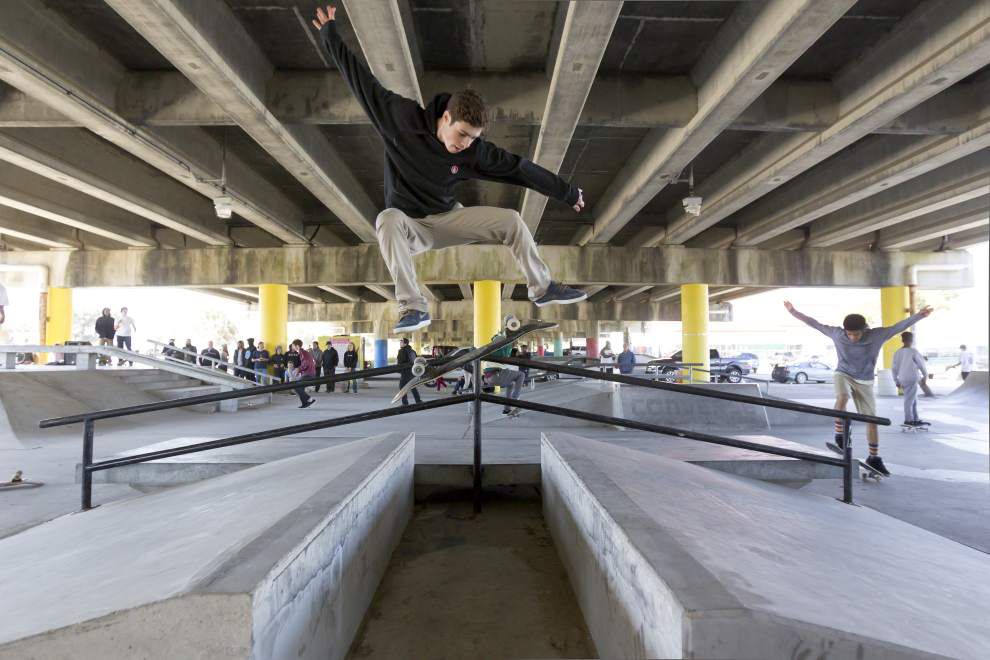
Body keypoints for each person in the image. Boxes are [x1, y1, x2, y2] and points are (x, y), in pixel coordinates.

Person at [312, 6, 587, 335]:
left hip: (447, 220)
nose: (465, 144)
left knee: (512, 221)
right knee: (387, 219)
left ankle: (541, 287)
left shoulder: (474, 152)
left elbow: (520, 169)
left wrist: (566, 192)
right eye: (462, 134)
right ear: (445, 118)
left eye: (473, 139)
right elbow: (361, 82)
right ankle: (413, 306)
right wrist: (330, 34)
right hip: (409, 227)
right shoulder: (400, 119)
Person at [784, 300, 933, 476]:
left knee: (872, 421)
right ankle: (840, 436)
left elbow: (898, 327)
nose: (852, 338)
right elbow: (814, 323)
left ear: (864, 330)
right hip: (843, 374)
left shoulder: (877, 335)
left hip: (865, 381)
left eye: (856, 334)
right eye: (849, 334)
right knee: (843, 397)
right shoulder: (837, 334)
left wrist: (919, 315)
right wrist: (793, 311)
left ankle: (874, 458)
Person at [893, 332, 929, 428]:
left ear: (902, 340)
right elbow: (921, 365)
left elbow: (894, 368)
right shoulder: (913, 351)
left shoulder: (897, 352)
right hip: (912, 378)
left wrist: (896, 380)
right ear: (911, 340)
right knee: (909, 400)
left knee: (913, 399)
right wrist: (925, 375)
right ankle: (908, 420)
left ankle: (915, 419)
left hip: (902, 378)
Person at [396, 337, 422, 406]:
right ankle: (418, 401)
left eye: (401, 342)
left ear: (405, 344)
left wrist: (398, 369)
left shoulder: (402, 351)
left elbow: (400, 362)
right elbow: (416, 360)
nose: (400, 343)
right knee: (412, 386)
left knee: (402, 387)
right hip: (412, 372)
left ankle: (405, 403)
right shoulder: (412, 351)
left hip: (405, 372)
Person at [290, 339, 316, 408]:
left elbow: (306, 363)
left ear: (297, 346)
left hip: (308, 374)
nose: (292, 347)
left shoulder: (302, 352)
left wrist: (298, 369)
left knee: (296, 386)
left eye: (293, 345)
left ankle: (309, 399)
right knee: (300, 387)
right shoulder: (302, 352)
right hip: (308, 373)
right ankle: (305, 403)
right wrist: (300, 371)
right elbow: (306, 364)